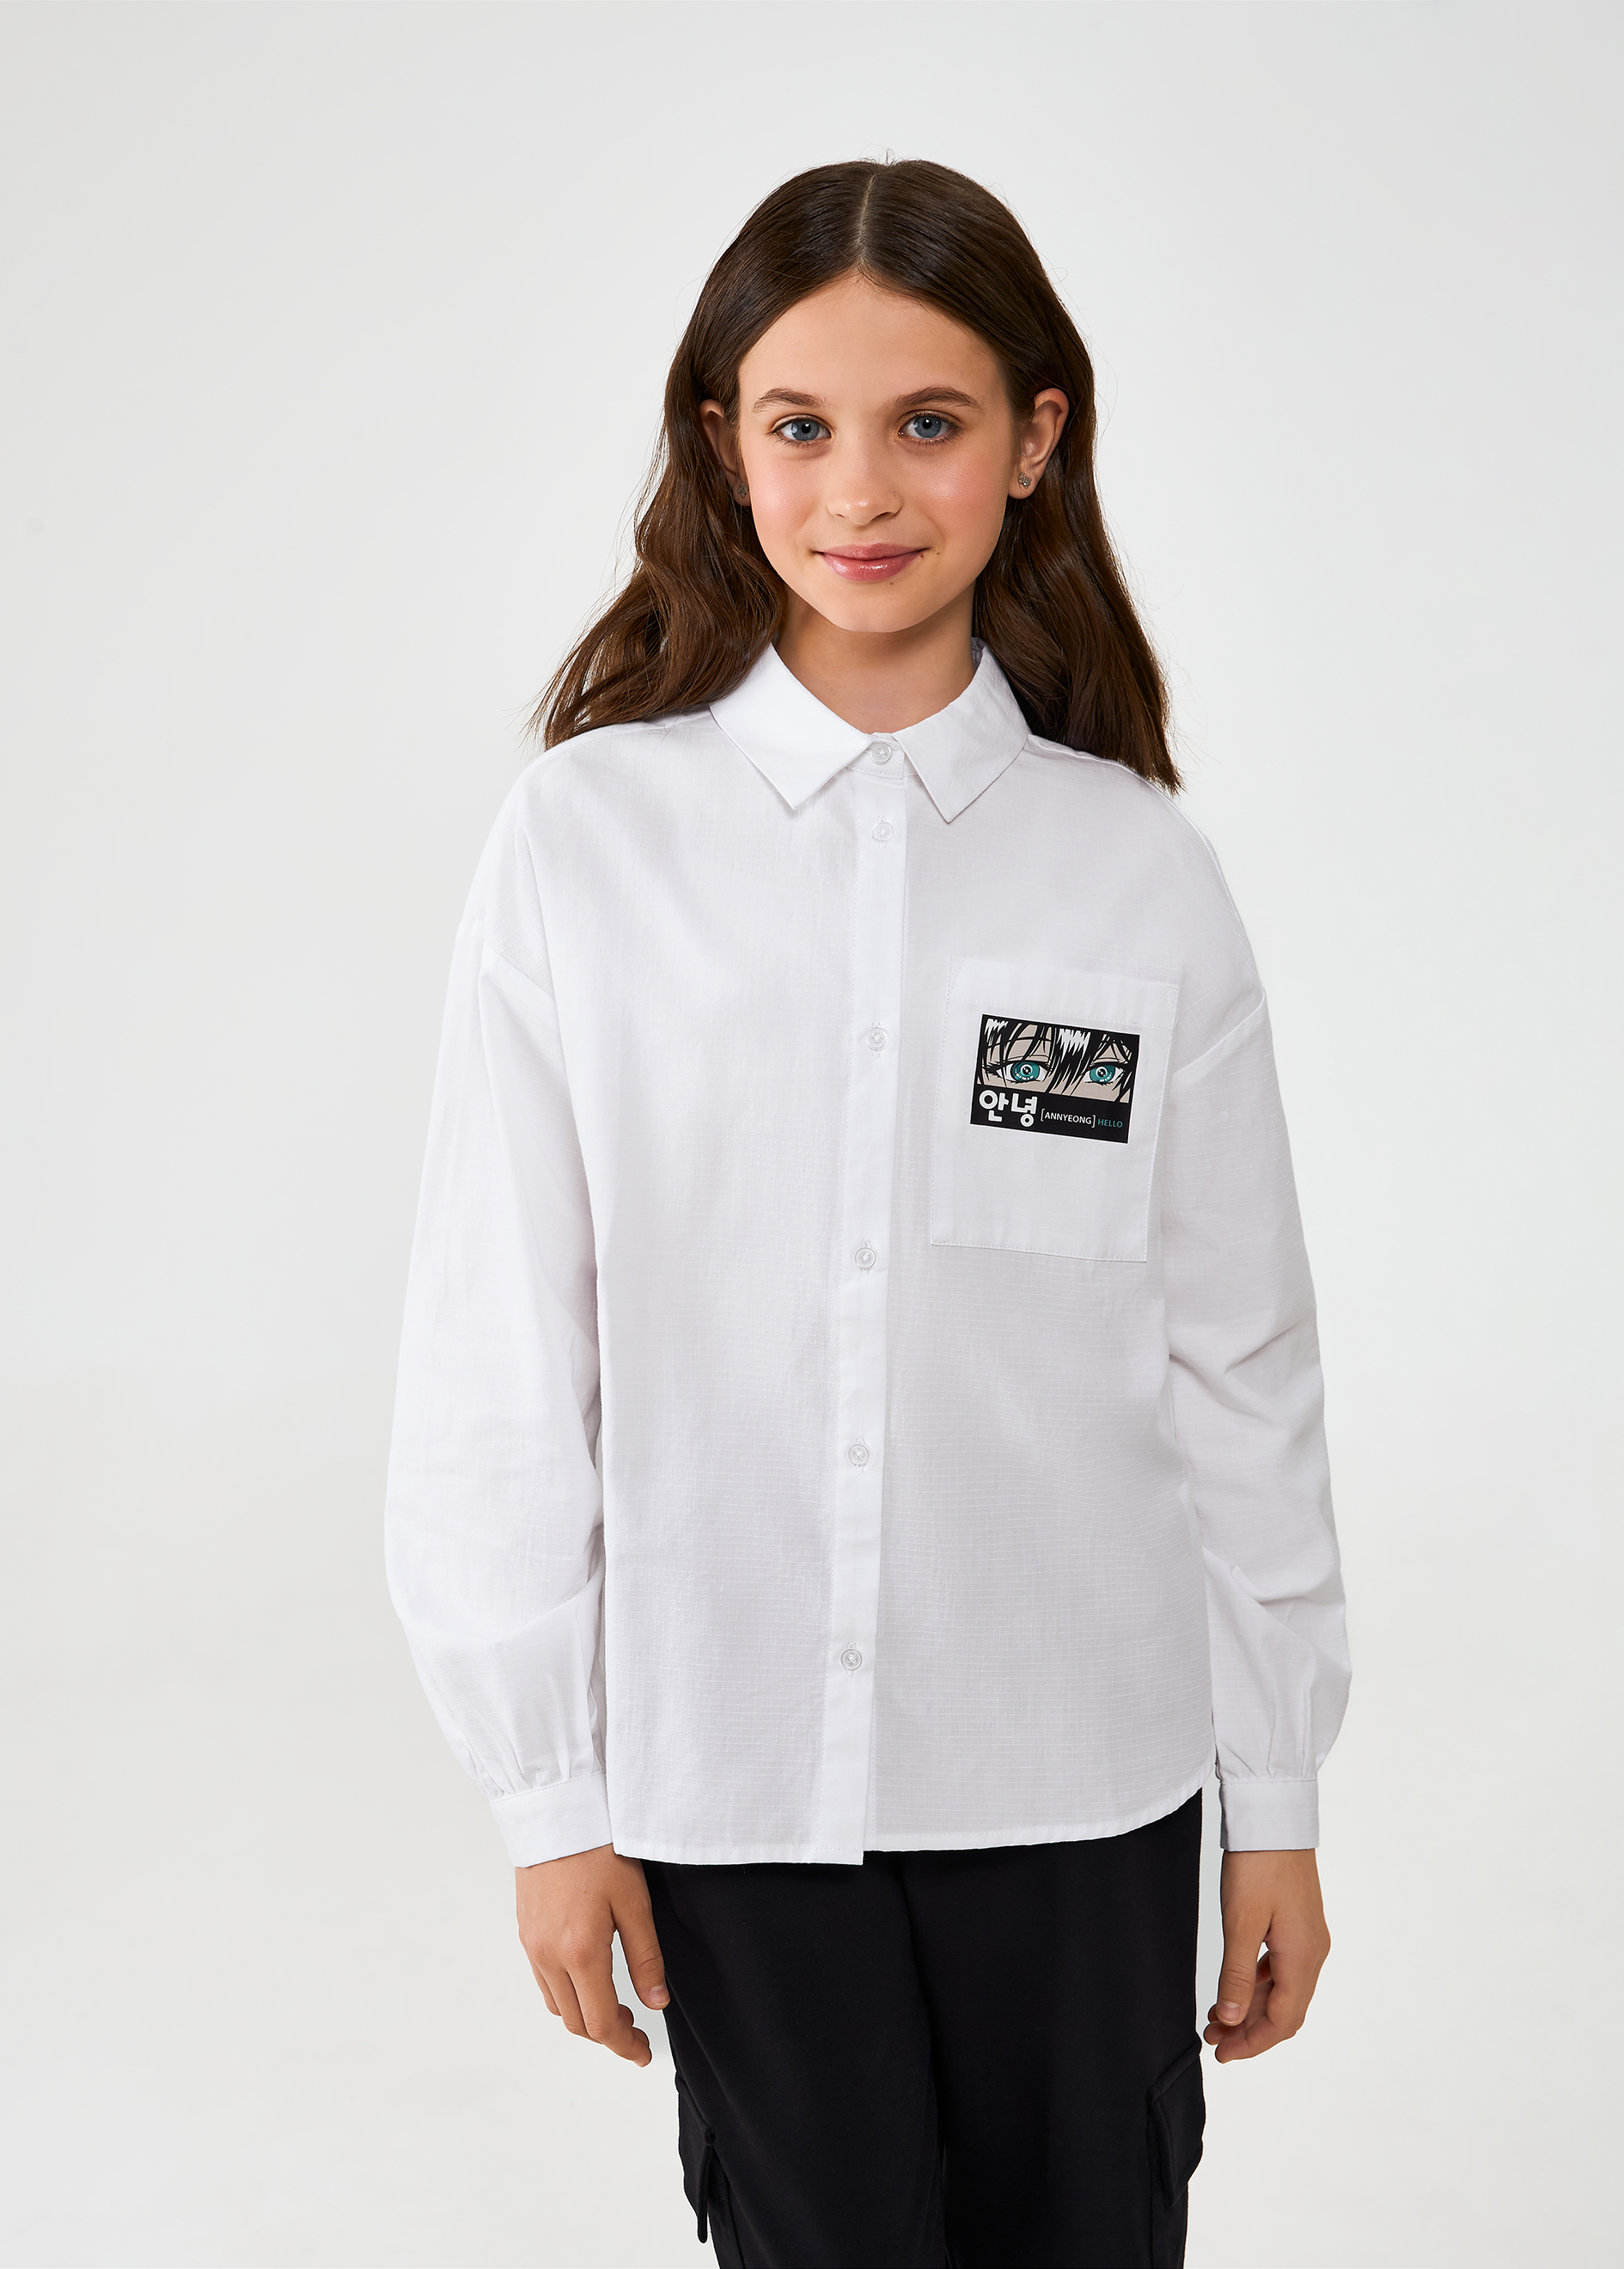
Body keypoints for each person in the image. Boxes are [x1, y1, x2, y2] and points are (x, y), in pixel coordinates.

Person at [385, 156, 1350, 2269]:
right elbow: (501, 1347)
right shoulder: (585, 843)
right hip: (730, 1786)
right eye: (800, 424)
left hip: (1082, 1786)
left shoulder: (1138, 873)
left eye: (929, 421)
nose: (862, 488)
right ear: (723, 449)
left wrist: (1272, 1796)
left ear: (1035, 439)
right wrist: (548, 1799)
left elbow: (1240, 1362)